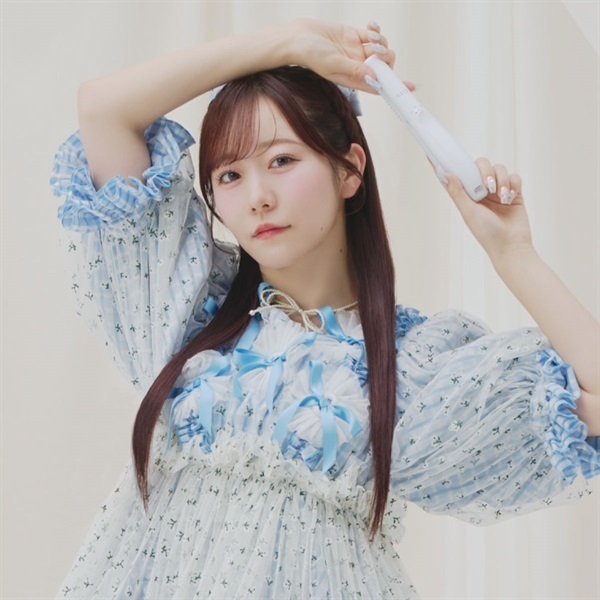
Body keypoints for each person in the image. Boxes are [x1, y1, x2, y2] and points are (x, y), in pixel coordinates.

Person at [49, 17, 599, 599]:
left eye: (282, 161)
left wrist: (513, 254)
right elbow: (103, 109)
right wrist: (288, 42)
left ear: (349, 170)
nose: (258, 197)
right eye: (230, 175)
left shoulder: (404, 369)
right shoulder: (190, 308)